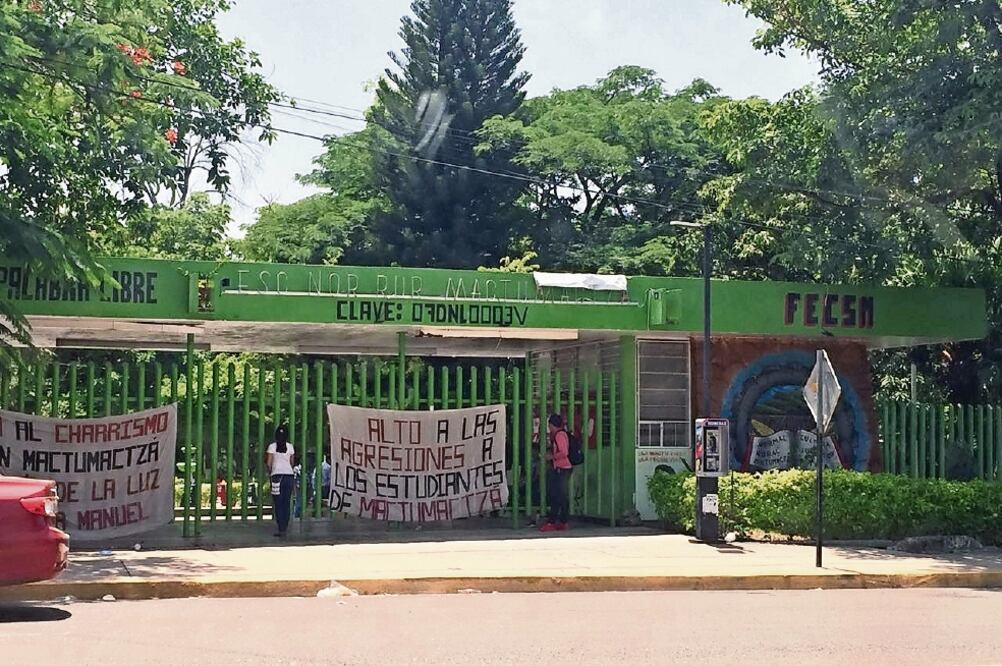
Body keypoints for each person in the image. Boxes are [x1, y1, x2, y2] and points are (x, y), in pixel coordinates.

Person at [541, 413, 572, 532]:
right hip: (563, 468)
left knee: (557, 496)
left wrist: (552, 457)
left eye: (549, 425)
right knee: (561, 496)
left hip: (562, 468)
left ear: (552, 425)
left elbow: (564, 452)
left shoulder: (559, 435)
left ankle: (553, 521)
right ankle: (562, 521)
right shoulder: (562, 434)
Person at [266, 425, 295, 537]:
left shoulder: (272, 447)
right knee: (286, 502)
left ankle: (280, 528)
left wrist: (271, 472)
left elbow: (269, 463)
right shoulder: (290, 447)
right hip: (289, 476)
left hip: (277, 477)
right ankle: (285, 528)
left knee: (278, 503)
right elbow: (292, 463)